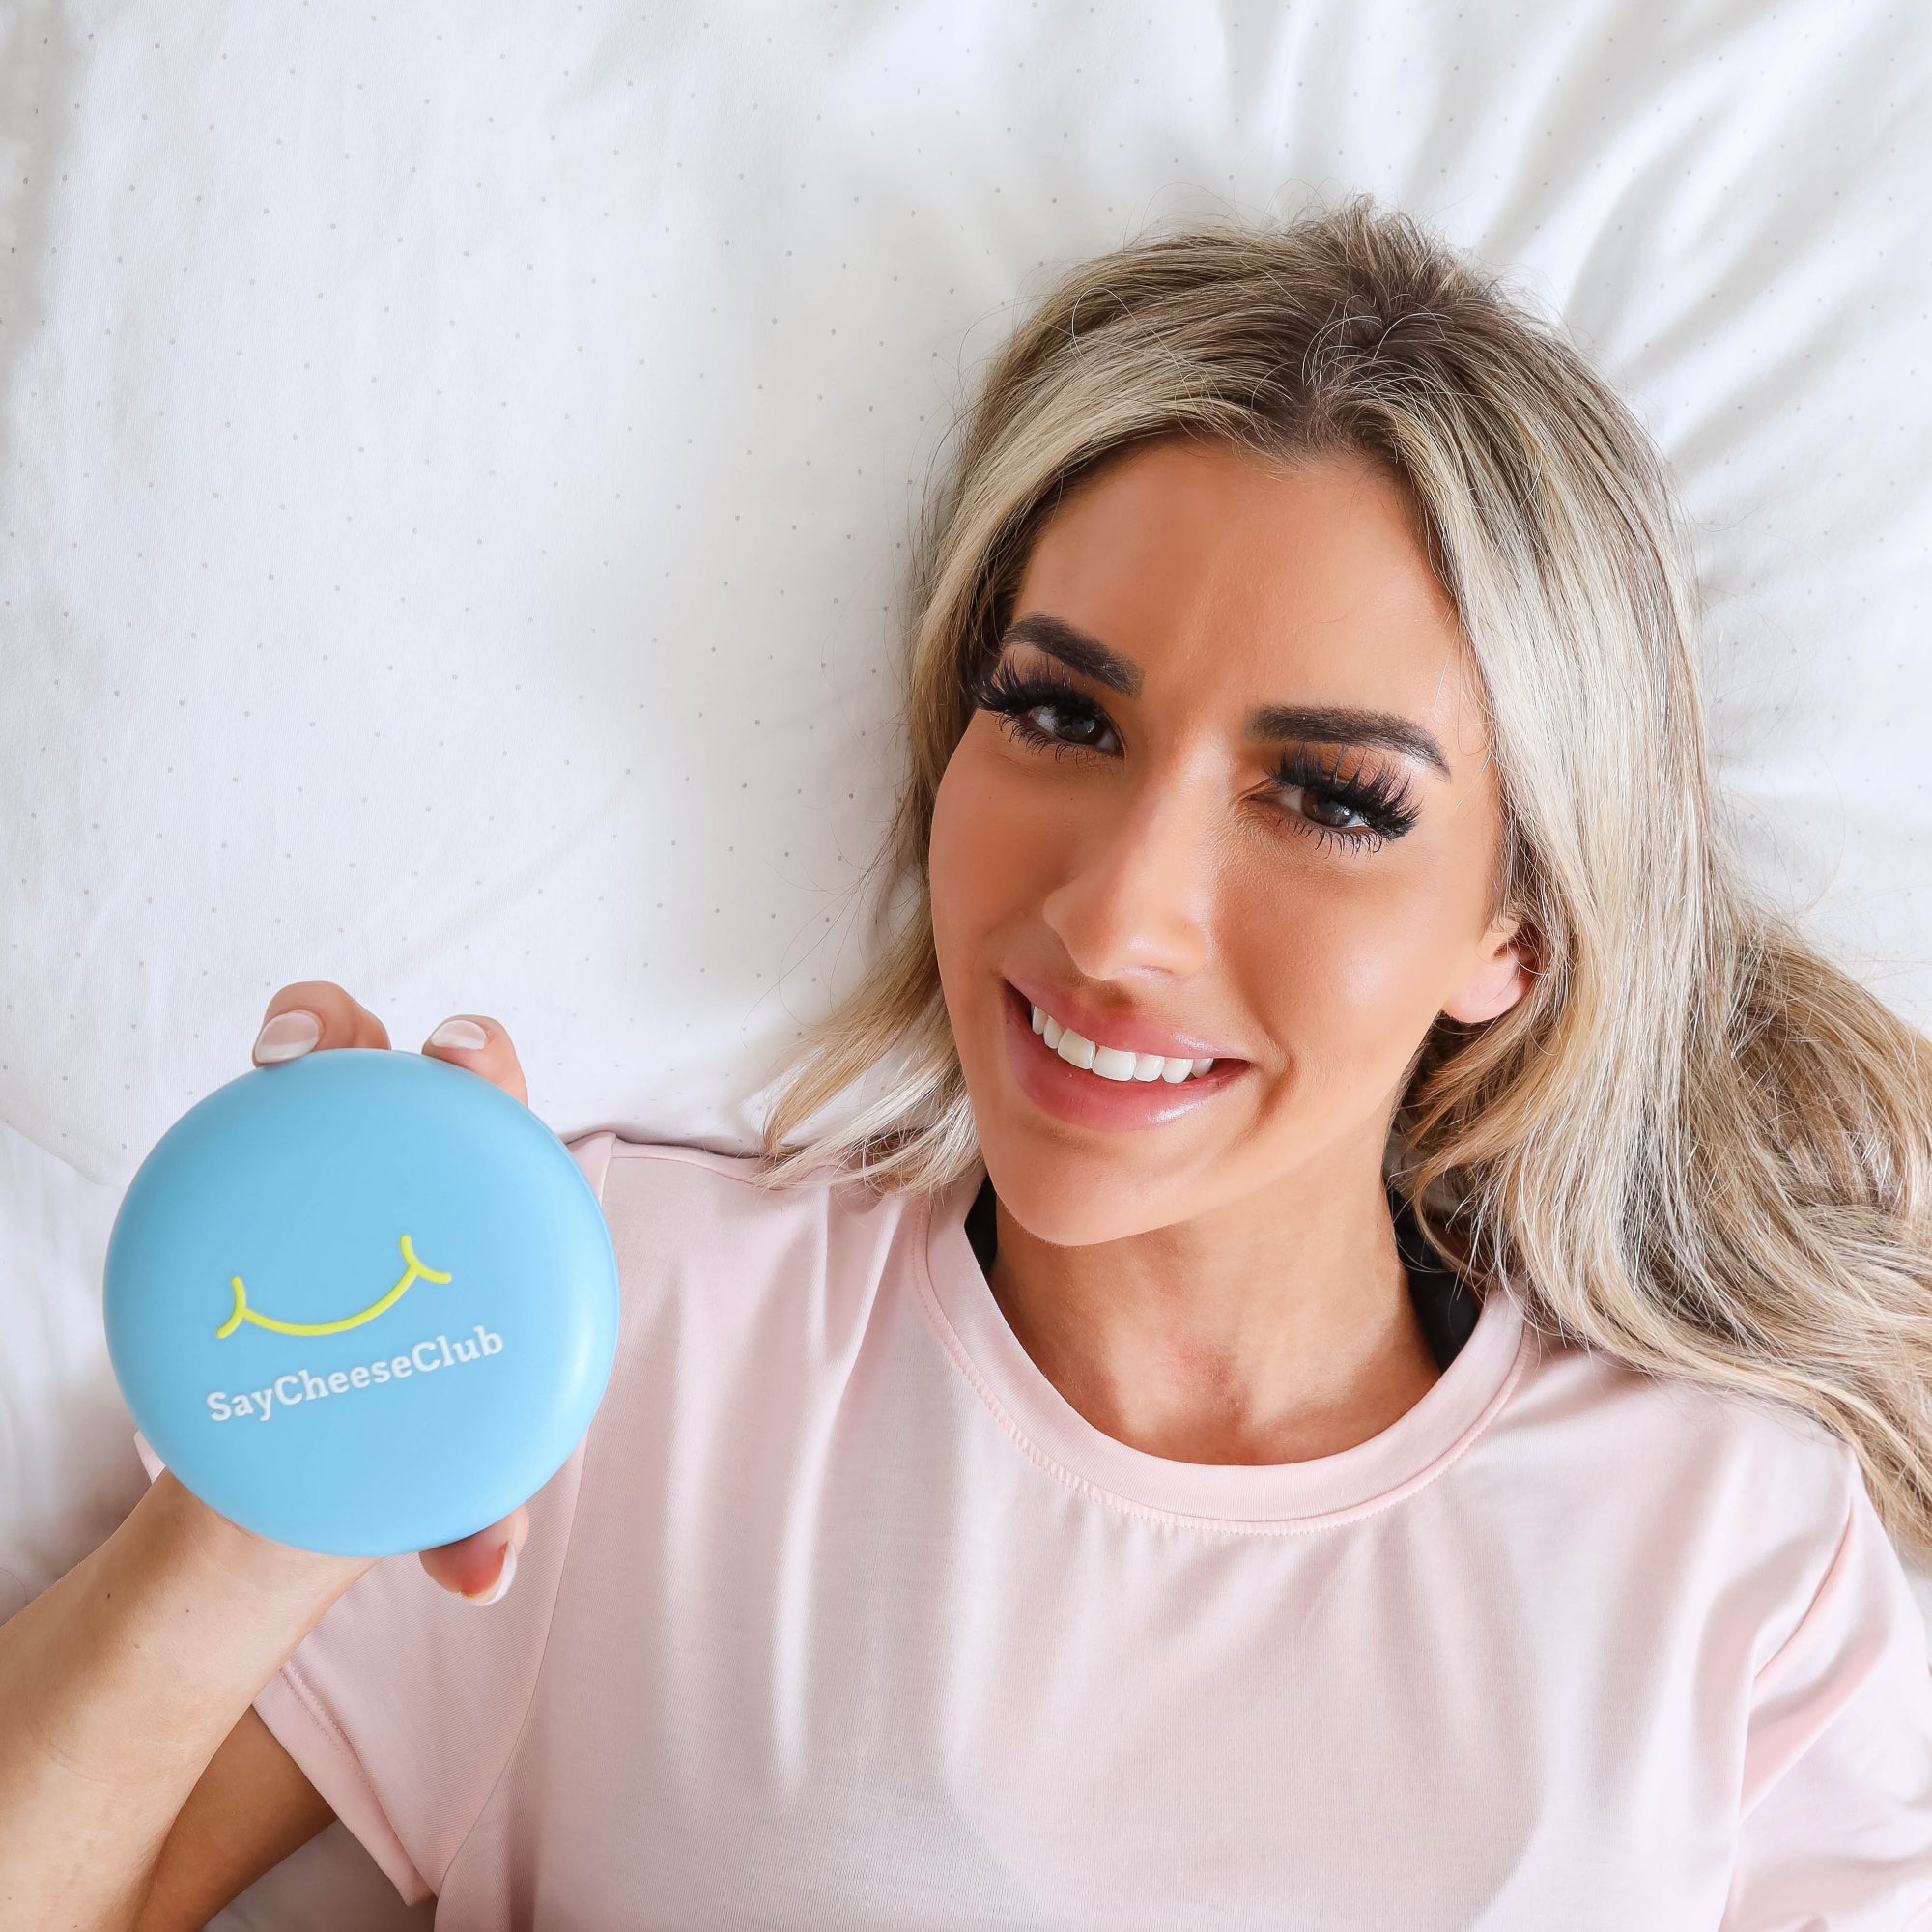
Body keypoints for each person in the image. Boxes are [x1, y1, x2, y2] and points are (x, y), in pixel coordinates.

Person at [6, 199, 1932, 1930]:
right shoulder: (608, 1346)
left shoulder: (1725, 1553)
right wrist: (279, 1481)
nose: (1117, 917)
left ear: (1518, 927)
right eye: (1060, 716)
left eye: (1332, 797)